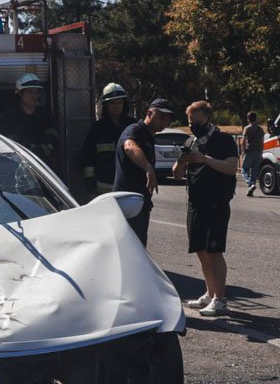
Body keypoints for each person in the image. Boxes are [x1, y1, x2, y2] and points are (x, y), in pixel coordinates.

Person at [175, 101, 239, 316]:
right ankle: (210, 293)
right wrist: (182, 161)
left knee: (214, 251)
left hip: (216, 203)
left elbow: (231, 168)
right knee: (201, 251)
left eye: (198, 122)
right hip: (196, 203)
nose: (194, 127)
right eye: (190, 123)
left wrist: (204, 159)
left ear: (208, 118)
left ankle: (220, 299)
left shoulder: (224, 140)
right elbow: (176, 174)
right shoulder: (191, 141)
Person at [113, 98, 174, 245]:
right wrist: (148, 167)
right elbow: (129, 146)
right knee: (130, 249)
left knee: (138, 247)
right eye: (161, 117)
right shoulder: (135, 130)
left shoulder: (149, 137)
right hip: (128, 203)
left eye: (167, 119)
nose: (164, 122)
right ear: (149, 113)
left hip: (140, 203)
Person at [80, 83, 136, 197]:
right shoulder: (98, 128)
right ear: (106, 105)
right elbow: (88, 156)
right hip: (103, 189)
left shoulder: (133, 126)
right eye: (112, 103)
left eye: (119, 102)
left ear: (124, 104)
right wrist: (90, 183)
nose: (116, 106)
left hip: (129, 186)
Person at [0, 73, 58, 162]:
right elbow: (9, 137)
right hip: (18, 160)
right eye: (30, 92)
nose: (34, 96)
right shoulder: (9, 115)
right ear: (20, 93)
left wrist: (42, 149)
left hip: (43, 161)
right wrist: (27, 150)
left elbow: (53, 132)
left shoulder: (45, 113)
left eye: (37, 92)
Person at [240, 111, 264, 196]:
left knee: (244, 169)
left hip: (249, 151)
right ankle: (251, 186)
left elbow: (243, 141)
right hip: (258, 152)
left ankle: (250, 184)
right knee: (254, 171)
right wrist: (261, 152)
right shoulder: (260, 129)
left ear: (248, 119)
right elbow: (262, 142)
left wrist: (243, 151)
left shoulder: (247, 128)